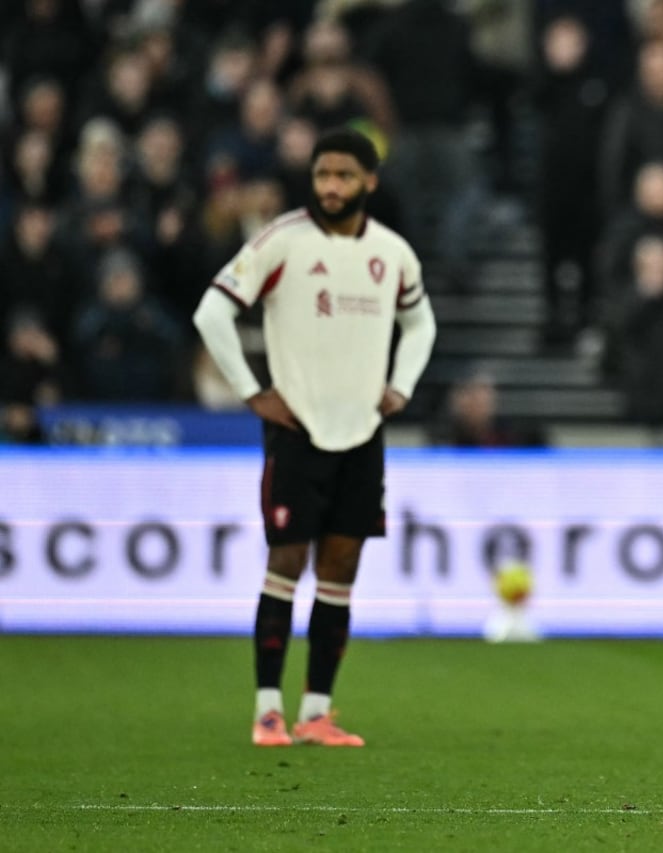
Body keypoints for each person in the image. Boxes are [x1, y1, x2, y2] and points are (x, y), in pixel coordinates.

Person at [192, 128, 437, 748]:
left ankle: (318, 712)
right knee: (285, 564)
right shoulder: (282, 241)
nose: (330, 187)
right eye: (323, 175)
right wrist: (253, 392)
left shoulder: (392, 253)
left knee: (341, 569)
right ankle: (268, 710)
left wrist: (400, 387)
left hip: (361, 432)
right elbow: (212, 312)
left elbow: (421, 322)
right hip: (296, 429)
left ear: (369, 182)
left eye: (344, 177)